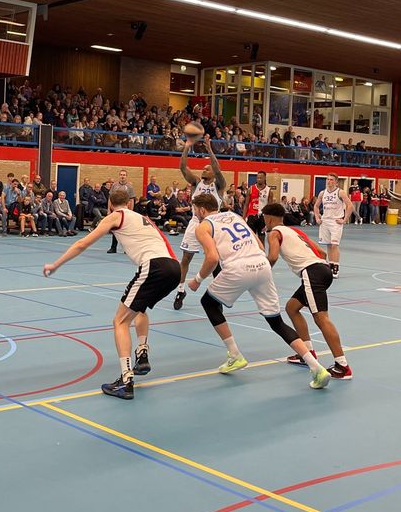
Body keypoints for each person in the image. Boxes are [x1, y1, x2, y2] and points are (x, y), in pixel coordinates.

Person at [43, 190, 180, 400]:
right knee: (139, 308)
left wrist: (56, 264)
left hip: (154, 266)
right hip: (173, 267)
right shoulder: (143, 218)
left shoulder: (116, 216)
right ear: (130, 203)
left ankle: (126, 381)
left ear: (110, 203)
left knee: (120, 322)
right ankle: (142, 353)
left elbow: (82, 243)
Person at [186, 196, 329, 388]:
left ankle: (234, 354)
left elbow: (212, 258)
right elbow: (260, 246)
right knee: (276, 322)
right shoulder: (235, 215)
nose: (194, 213)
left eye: (195, 210)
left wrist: (197, 280)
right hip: (261, 265)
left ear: (202, 210)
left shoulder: (202, 226)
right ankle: (316, 367)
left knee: (209, 303)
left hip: (238, 268)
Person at [264, 203, 352, 380]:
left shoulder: (274, 233)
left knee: (321, 318)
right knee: (292, 307)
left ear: (269, 218)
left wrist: (262, 273)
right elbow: (321, 252)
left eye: (263, 216)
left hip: (312, 272)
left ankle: (343, 366)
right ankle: (307, 354)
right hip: (321, 269)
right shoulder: (296, 232)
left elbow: (272, 257)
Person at [174, 136, 227, 309]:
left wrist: (210, 148)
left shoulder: (219, 185)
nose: (204, 170)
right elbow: (182, 167)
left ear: (213, 172)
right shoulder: (196, 182)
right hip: (196, 222)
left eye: (207, 168)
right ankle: (180, 290)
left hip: (213, 224)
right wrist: (187, 147)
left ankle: (217, 295)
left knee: (216, 261)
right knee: (185, 258)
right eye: (203, 168)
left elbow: (218, 168)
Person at [312, 173, 353, 278]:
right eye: (327, 179)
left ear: (336, 182)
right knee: (329, 245)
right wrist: (317, 217)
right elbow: (316, 206)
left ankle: (336, 267)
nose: (329, 181)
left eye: (331, 180)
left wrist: (345, 219)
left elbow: (350, 206)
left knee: (335, 245)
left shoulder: (340, 192)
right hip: (325, 221)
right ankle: (330, 265)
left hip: (335, 222)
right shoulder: (322, 193)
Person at [106, 169, 136, 253]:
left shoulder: (129, 187)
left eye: (124, 175)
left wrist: (131, 211)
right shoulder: (114, 185)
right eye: (121, 174)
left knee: (126, 230)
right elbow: (110, 198)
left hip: (126, 211)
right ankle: (113, 247)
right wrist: (108, 210)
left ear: (126, 176)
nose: (122, 176)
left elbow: (132, 200)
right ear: (119, 176)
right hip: (116, 210)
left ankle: (127, 249)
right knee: (115, 229)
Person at [243, 171, 272, 237]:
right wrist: (243, 217)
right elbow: (246, 204)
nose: (259, 179)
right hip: (251, 216)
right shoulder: (250, 189)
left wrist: (269, 220)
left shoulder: (269, 191)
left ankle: (262, 248)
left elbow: (270, 208)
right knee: (251, 237)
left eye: (261, 178)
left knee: (262, 237)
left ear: (264, 178)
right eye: (258, 178)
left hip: (263, 217)